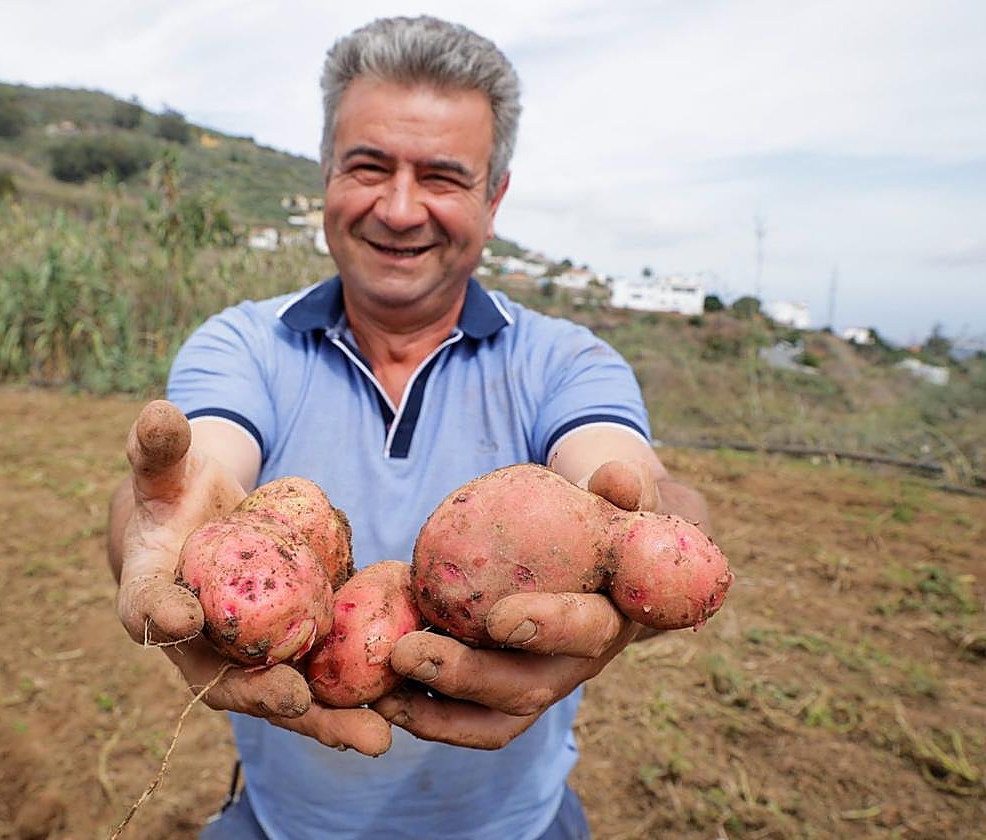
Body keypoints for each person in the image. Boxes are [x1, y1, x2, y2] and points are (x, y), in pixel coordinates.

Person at [107, 15, 712, 840]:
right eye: (367, 166)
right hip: (283, 822)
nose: (398, 209)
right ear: (326, 174)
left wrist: (643, 532)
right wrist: (157, 525)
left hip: (518, 827)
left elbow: (632, 476)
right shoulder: (244, 344)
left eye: (441, 177)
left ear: (492, 199)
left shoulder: (565, 361)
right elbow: (196, 467)